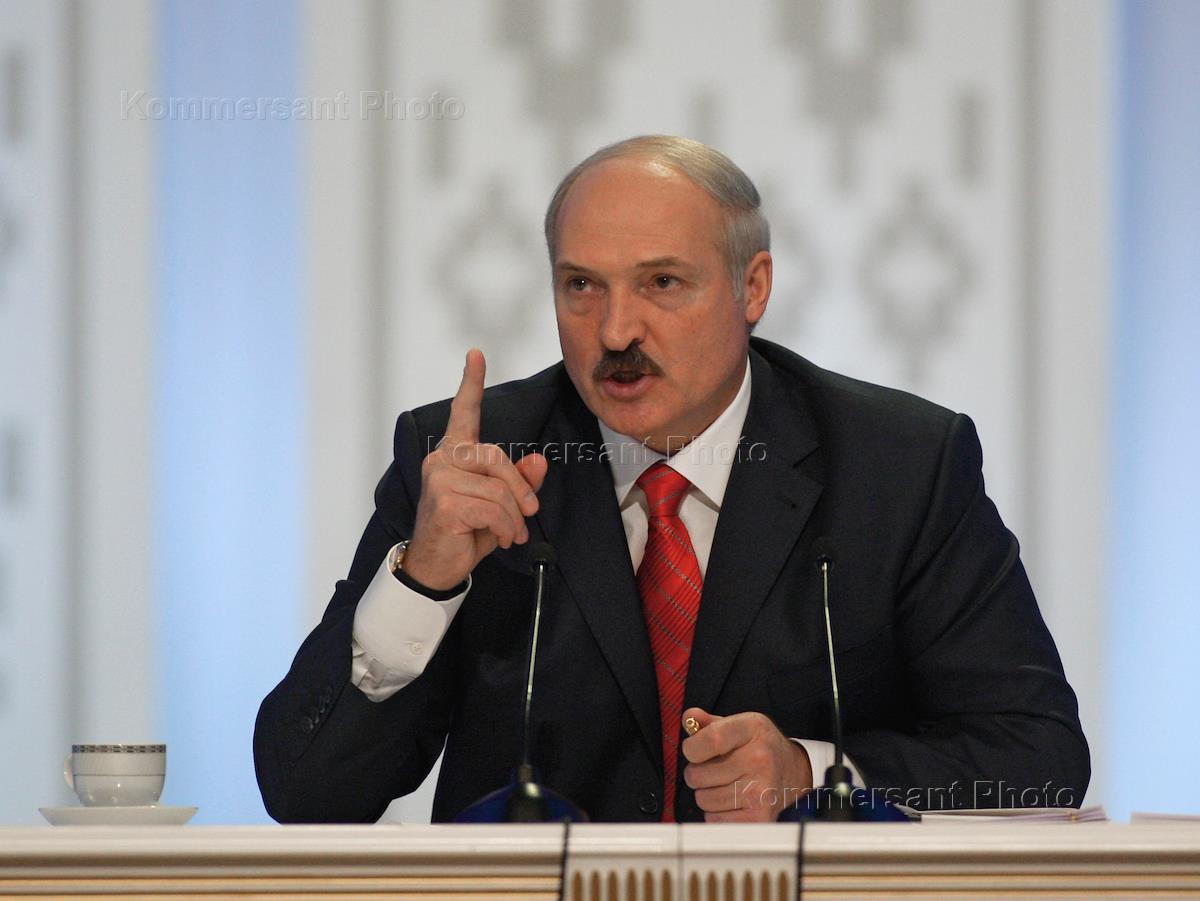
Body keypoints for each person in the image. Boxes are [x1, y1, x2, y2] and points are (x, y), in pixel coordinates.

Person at [254, 135, 1089, 824]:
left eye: (661, 282)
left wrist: (810, 772)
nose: (616, 330)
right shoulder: (466, 462)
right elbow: (305, 793)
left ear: (752, 287)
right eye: (582, 286)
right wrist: (423, 580)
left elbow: (1040, 758)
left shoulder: (900, 465)